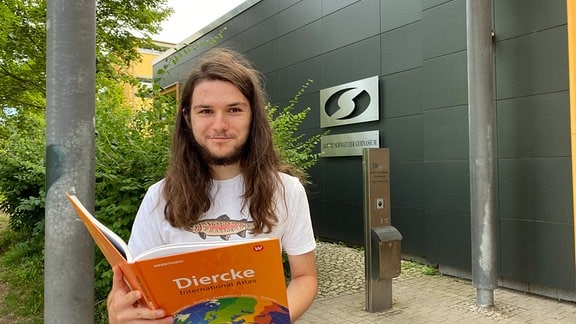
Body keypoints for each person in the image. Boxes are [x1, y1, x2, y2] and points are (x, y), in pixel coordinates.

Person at [106, 47, 318, 323]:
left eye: (234, 110)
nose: (220, 125)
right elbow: (128, 289)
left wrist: (273, 318)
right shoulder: (160, 196)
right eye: (206, 111)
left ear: (253, 116)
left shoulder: (287, 190)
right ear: (187, 117)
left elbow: (305, 276)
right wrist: (118, 313)